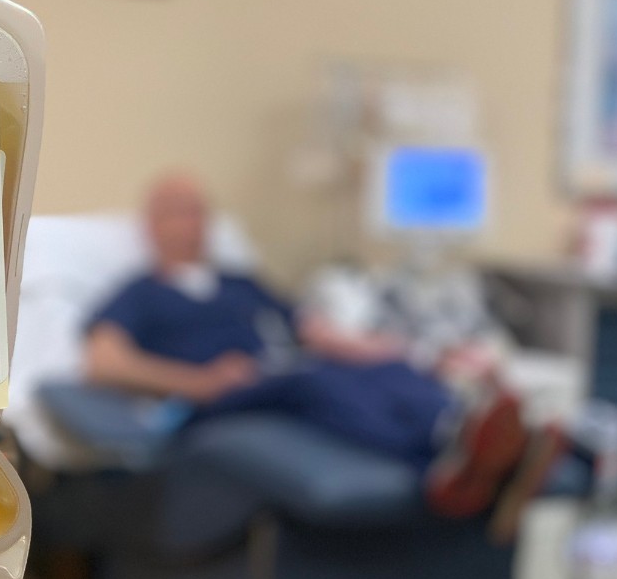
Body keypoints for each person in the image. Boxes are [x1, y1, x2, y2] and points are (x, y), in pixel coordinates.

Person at [83, 173, 560, 534]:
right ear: (151, 226)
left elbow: (312, 331)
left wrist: (399, 350)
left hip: (279, 373)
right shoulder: (140, 293)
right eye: (176, 212)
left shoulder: (239, 283)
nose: (191, 223)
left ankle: (480, 438)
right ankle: (448, 450)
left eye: (198, 212)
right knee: (315, 381)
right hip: (216, 401)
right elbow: (104, 362)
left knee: (386, 366)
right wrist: (200, 381)